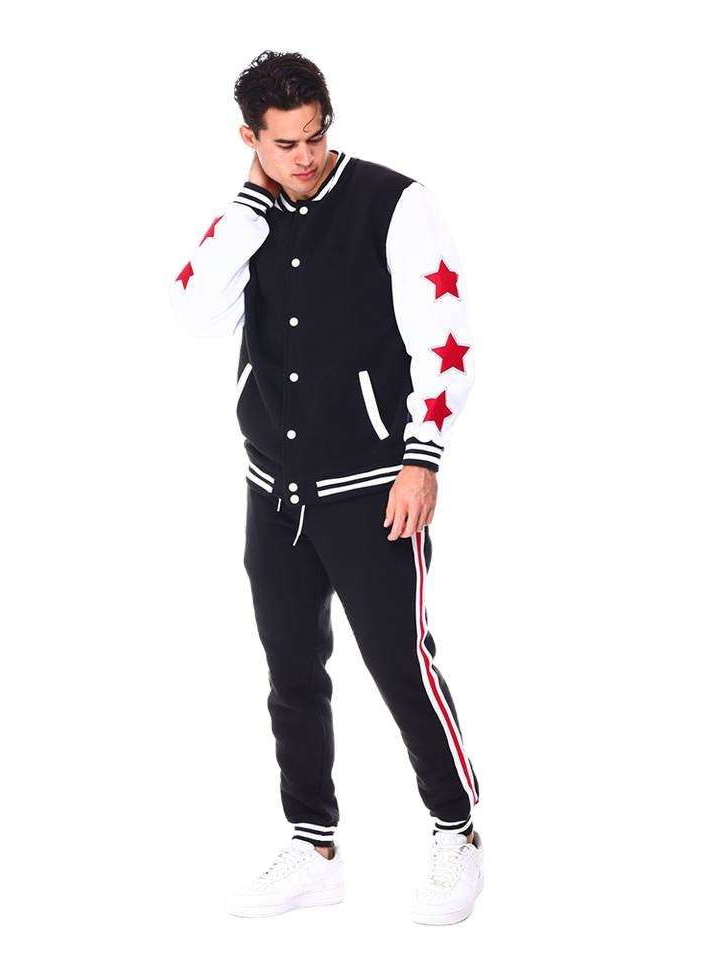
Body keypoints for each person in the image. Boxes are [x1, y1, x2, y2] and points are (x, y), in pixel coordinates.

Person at [169, 50, 484, 925]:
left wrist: (422, 457)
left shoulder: (396, 203)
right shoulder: (252, 218)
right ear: (250, 139)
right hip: (273, 488)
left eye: (314, 136)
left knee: (400, 665)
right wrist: (248, 207)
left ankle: (456, 830)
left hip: (375, 486)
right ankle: (313, 846)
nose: (304, 156)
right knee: (291, 674)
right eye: (284, 143)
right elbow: (192, 310)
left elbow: (444, 337)